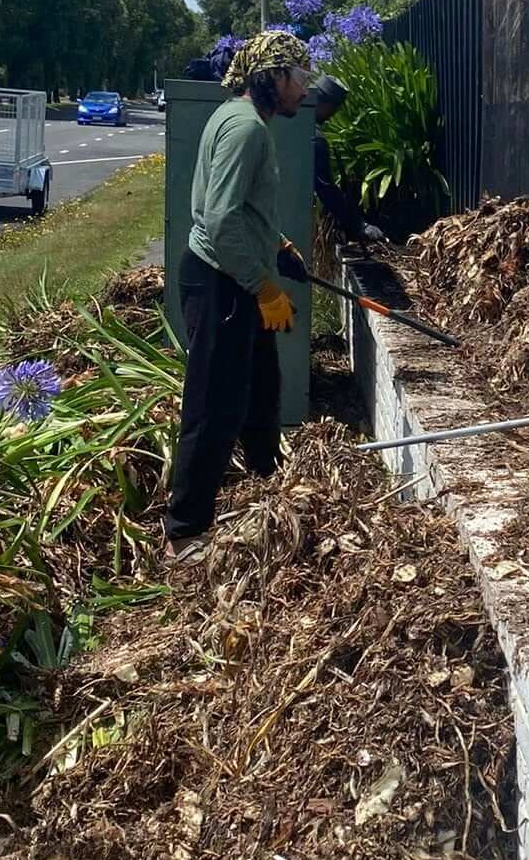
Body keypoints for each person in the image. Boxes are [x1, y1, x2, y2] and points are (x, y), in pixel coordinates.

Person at [164, 30, 312, 558]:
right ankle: (185, 531)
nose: (304, 90)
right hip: (220, 282)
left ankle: (269, 495)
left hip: (236, 276)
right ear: (270, 77)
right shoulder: (245, 129)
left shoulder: (236, 118)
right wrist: (264, 286)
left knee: (260, 393)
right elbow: (222, 221)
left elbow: (239, 210)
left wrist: (276, 246)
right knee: (214, 407)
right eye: (298, 79)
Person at [309, 73, 385, 249]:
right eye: (334, 110)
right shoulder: (314, 138)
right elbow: (325, 187)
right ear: (327, 106)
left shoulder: (289, 118)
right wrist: (359, 225)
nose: (332, 116)